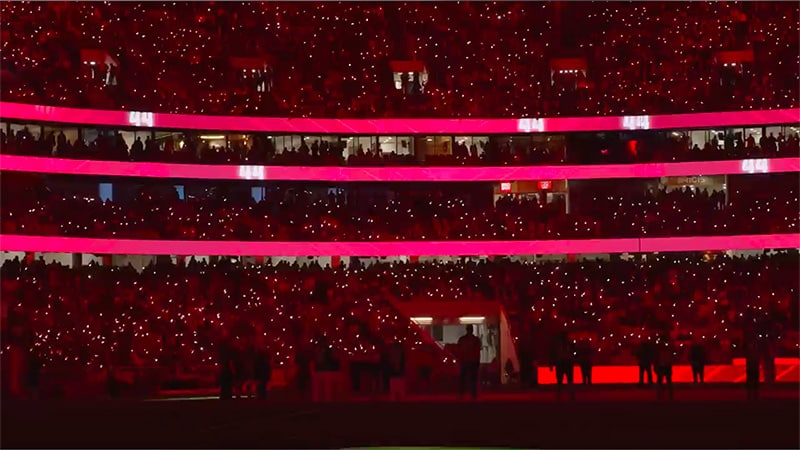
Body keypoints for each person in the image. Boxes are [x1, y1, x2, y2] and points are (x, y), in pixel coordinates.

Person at [457, 324, 482, 400]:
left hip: (466, 361)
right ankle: (472, 394)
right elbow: (477, 351)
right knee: (472, 378)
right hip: (472, 361)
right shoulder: (476, 340)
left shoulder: (462, 339)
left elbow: (459, 350)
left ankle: (463, 393)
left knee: (464, 378)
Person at [550, 332, 575, 400]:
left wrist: (551, 364)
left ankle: (562, 394)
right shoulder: (566, 345)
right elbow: (554, 355)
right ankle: (567, 394)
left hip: (563, 363)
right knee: (566, 380)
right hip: (564, 363)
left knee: (563, 380)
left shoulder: (560, 345)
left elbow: (553, 355)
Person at [654, 335, 674, 400]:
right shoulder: (668, 352)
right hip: (666, 367)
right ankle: (669, 395)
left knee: (661, 381)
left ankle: (661, 394)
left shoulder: (659, 352)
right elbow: (671, 360)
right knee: (667, 382)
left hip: (662, 367)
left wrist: (656, 367)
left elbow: (656, 360)